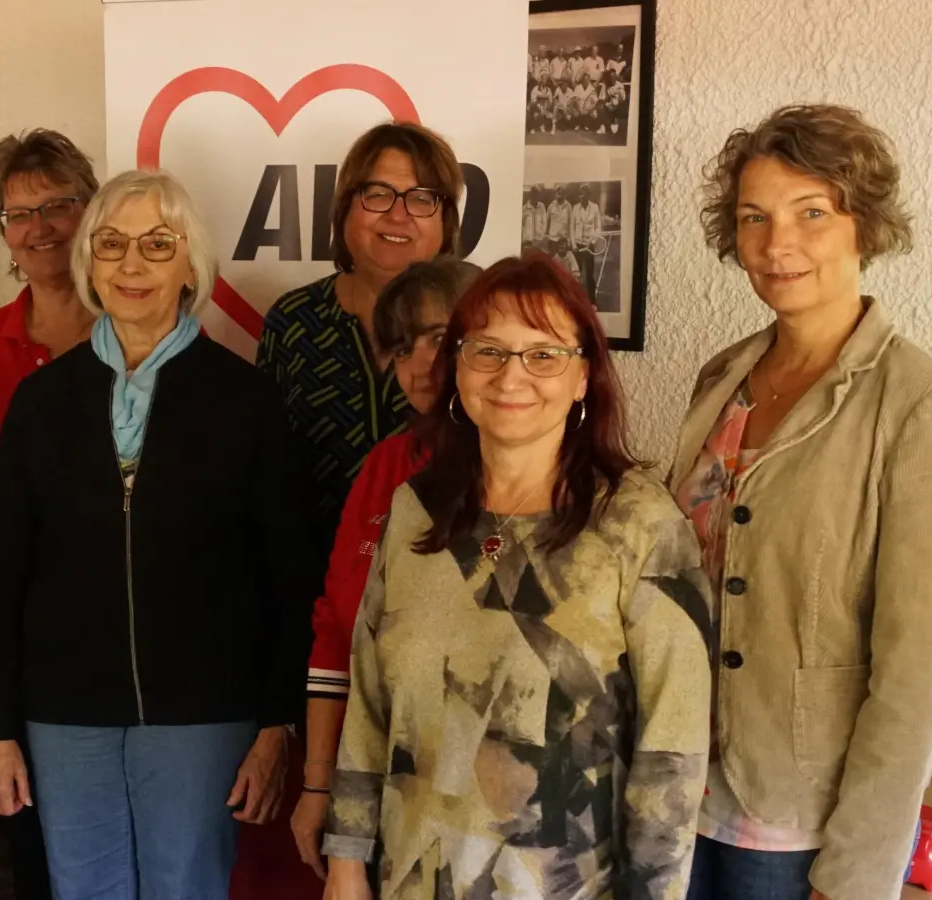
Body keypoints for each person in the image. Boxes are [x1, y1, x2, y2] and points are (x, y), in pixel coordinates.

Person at [322, 254, 713, 900]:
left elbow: (671, 754)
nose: (512, 376)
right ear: (458, 368)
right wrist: (345, 858)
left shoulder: (640, 524)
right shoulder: (416, 512)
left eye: (543, 354)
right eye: (489, 351)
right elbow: (369, 701)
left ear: (584, 375)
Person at [0, 168, 315, 900]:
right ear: (88, 262)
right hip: (65, 717)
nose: (132, 264)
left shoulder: (245, 400)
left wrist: (275, 724)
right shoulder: (41, 403)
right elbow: (0, 574)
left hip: (204, 715)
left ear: (191, 264)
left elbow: (288, 577)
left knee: (184, 889)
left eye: (158, 245)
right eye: (113, 244)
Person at [674, 104, 932, 900]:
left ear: (864, 227)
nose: (778, 245)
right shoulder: (721, 377)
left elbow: (917, 672)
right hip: (675, 793)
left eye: (811, 213)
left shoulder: (922, 404)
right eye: (755, 218)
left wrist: (857, 872)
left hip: (797, 824)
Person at [247, 121, 463, 900]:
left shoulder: (499, 369)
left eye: (421, 196)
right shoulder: (296, 326)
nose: (397, 213)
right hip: (328, 640)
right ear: (344, 210)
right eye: (377, 192)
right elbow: (265, 500)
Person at [0, 127, 99, 900]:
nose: (39, 227)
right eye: (18, 213)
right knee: (31, 848)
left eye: (59, 205)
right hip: (0, 652)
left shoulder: (141, 343)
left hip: (111, 650)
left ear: (93, 211)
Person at [288, 258, 479, 881]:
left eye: (437, 337)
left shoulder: (528, 472)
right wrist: (319, 787)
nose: (418, 363)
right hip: (375, 785)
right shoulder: (384, 467)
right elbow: (337, 629)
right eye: (400, 347)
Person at [570, 184, 603, 301]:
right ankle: (575, 300)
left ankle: (592, 301)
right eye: (580, 193)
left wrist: (593, 241)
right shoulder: (575, 208)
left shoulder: (595, 208)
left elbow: (598, 227)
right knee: (576, 275)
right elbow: (572, 228)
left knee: (589, 275)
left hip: (589, 246)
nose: (581, 195)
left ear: (588, 195)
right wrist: (573, 245)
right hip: (577, 247)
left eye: (583, 193)